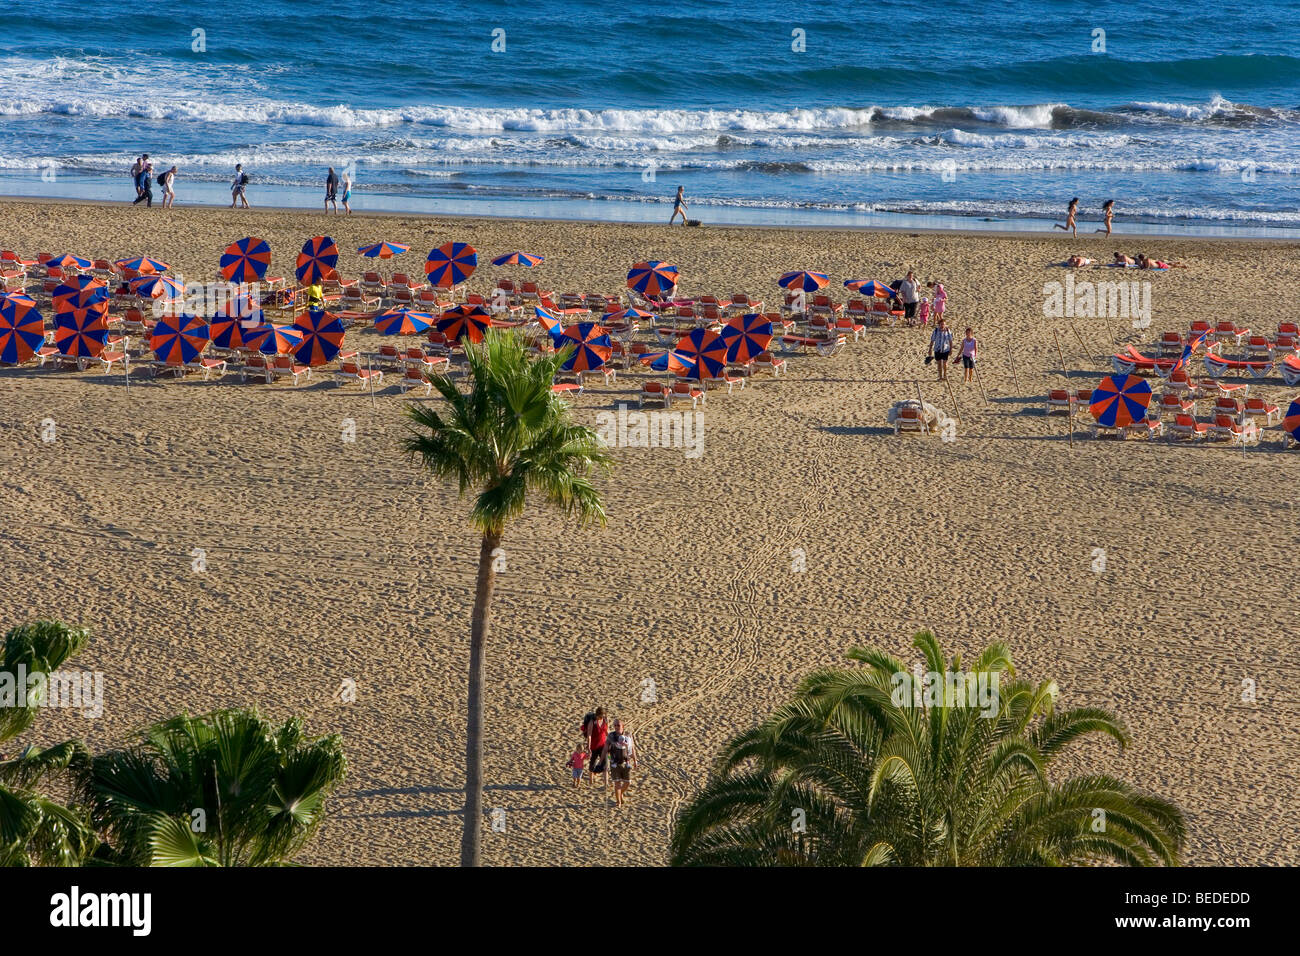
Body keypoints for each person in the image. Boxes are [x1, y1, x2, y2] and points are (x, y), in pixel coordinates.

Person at [605, 719, 637, 807]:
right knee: (617, 783)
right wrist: (608, 760)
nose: (616, 727)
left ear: (623, 726)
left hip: (626, 762)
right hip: (614, 763)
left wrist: (635, 760)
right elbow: (607, 750)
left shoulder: (628, 736)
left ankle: (620, 793)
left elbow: (632, 749)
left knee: (628, 782)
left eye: (618, 725)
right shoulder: (611, 736)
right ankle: (618, 801)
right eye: (615, 725)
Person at [582, 707, 608, 788]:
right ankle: (591, 780)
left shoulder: (605, 721)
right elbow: (589, 736)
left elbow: (607, 732)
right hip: (594, 746)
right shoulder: (592, 722)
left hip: (603, 746)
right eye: (600, 716)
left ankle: (606, 783)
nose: (601, 718)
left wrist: (611, 742)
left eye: (603, 716)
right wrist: (589, 748)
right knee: (592, 763)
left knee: (605, 764)